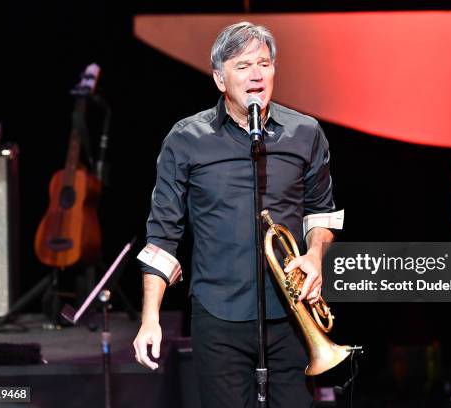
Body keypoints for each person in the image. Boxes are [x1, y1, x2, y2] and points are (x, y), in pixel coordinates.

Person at [133, 21, 344, 408]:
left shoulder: (306, 132)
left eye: (264, 63)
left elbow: (323, 213)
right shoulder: (186, 139)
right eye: (243, 66)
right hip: (219, 316)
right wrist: (150, 318)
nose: (256, 74)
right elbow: (162, 235)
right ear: (219, 78)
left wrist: (314, 258)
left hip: (293, 317)